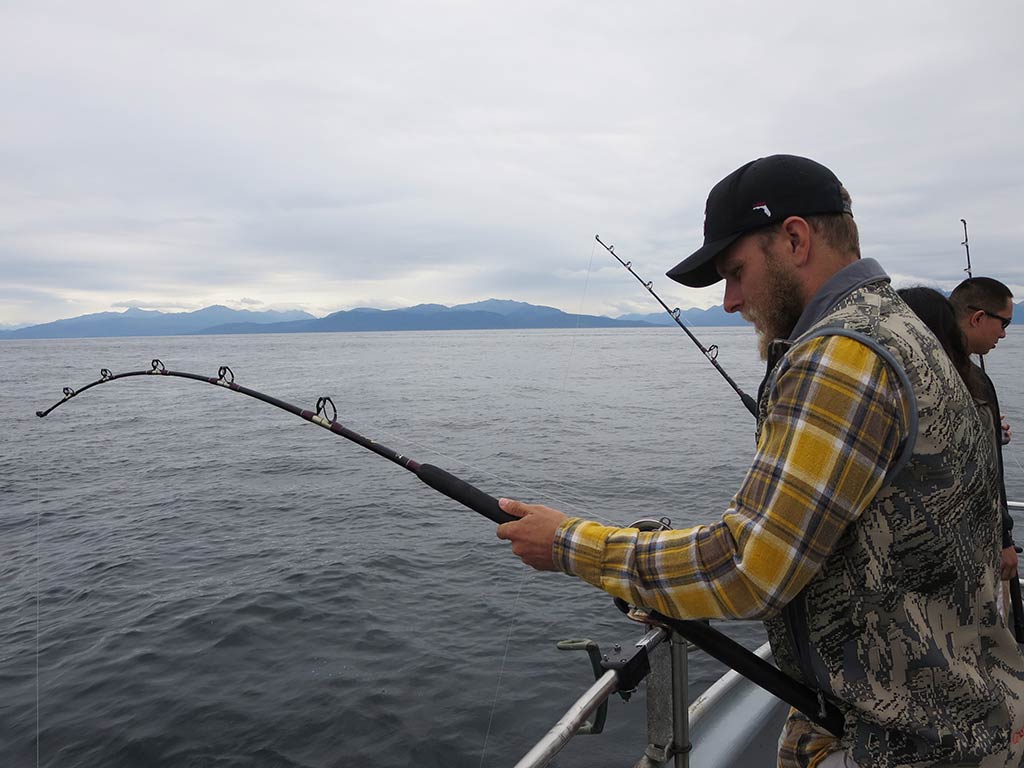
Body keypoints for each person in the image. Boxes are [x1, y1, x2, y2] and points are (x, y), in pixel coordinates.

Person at [496, 155, 1024, 767]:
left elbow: (749, 566)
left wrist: (568, 544)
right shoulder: (899, 327)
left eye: (736, 271)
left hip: (908, 746)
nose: (728, 300)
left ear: (795, 239)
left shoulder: (840, 357)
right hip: (960, 714)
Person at [950, 277, 1018, 580]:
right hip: (970, 547)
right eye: (1003, 323)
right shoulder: (974, 379)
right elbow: (990, 471)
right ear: (978, 318)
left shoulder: (924, 369)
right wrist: (1005, 539)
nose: (1004, 335)